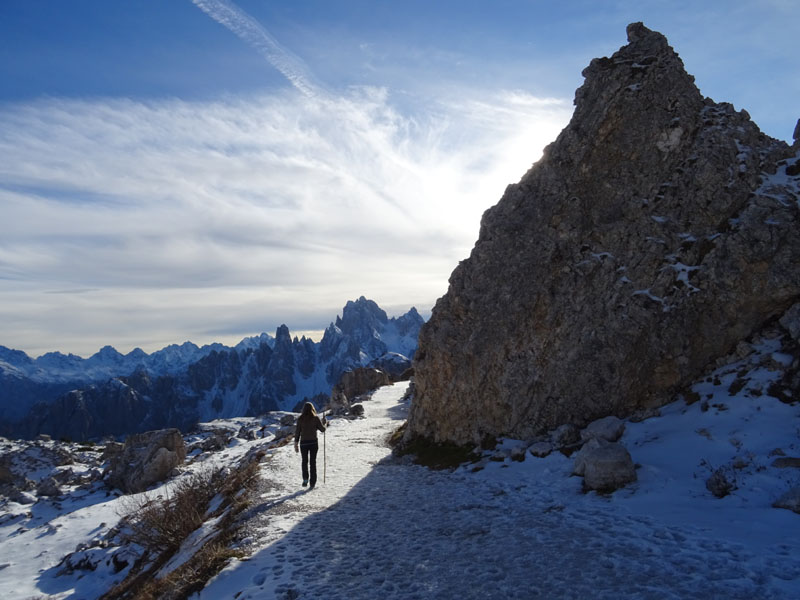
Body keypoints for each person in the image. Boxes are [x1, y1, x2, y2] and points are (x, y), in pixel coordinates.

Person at [294, 402, 327, 489]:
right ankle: (312, 482)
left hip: (303, 443)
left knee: (304, 461)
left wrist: (295, 444)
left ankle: (305, 479)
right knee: (313, 462)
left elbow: (297, 432)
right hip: (313, 443)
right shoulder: (315, 418)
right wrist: (325, 423)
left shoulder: (300, 419)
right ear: (313, 409)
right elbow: (322, 430)